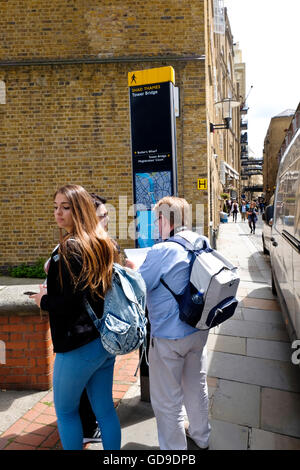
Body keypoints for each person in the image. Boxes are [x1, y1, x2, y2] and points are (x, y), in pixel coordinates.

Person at [30, 185, 121, 450]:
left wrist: (42, 300)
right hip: (103, 341)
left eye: (65, 207)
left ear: (79, 209)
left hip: (76, 346)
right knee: (104, 411)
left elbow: (69, 303)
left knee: (67, 413)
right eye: (56, 206)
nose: (58, 212)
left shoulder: (68, 250)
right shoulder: (101, 243)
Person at [131, 196, 210, 450]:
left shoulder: (161, 251)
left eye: (156, 220)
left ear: (165, 219)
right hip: (199, 329)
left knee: (167, 401)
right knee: (196, 385)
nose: (155, 225)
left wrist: (132, 268)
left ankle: (174, 451)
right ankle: (201, 436)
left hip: (169, 336)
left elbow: (139, 286)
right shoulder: (201, 241)